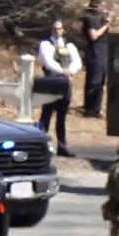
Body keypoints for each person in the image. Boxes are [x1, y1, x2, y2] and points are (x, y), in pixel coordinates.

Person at [38, 20, 82, 157]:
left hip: (65, 85)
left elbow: (77, 62)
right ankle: (40, 146)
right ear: (51, 30)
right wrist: (62, 71)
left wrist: (70, 71)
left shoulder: (70, 46)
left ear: (63, 30)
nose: (57, 31)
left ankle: (62, 147)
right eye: (54, 29)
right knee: (46, 116)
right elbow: (48, 62)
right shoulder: (45, 45)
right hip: (51, 83)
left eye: (60, 29)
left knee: (62, 118)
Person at [82, 0, 111, 119]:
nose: (103, 8)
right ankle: (89, 108)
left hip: (103, 53)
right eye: (102, 5)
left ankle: (97, 108)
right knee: (94, 81)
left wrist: (106, 20)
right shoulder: (90, 19)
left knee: (100, 82)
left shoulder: (99, 19)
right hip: (95, 53)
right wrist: (105, 27)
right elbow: (93, 36)